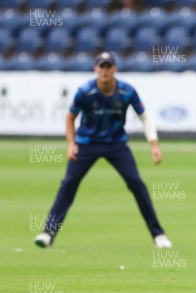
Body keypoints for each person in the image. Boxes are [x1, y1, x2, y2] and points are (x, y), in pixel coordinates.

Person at [34, 52, 172, 249]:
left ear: (114, 69)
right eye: (102, 67)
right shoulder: (85, 92)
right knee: (69, 184)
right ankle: (48, 232)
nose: (105, 70)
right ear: (96, 69)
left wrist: (154, 144)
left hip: (116, 143)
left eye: (109, 67)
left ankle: (158, 235)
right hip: (86, 143)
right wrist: (71, 144)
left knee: (136, 183)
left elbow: (144, 116)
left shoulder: (126, 91)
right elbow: (70, 117)